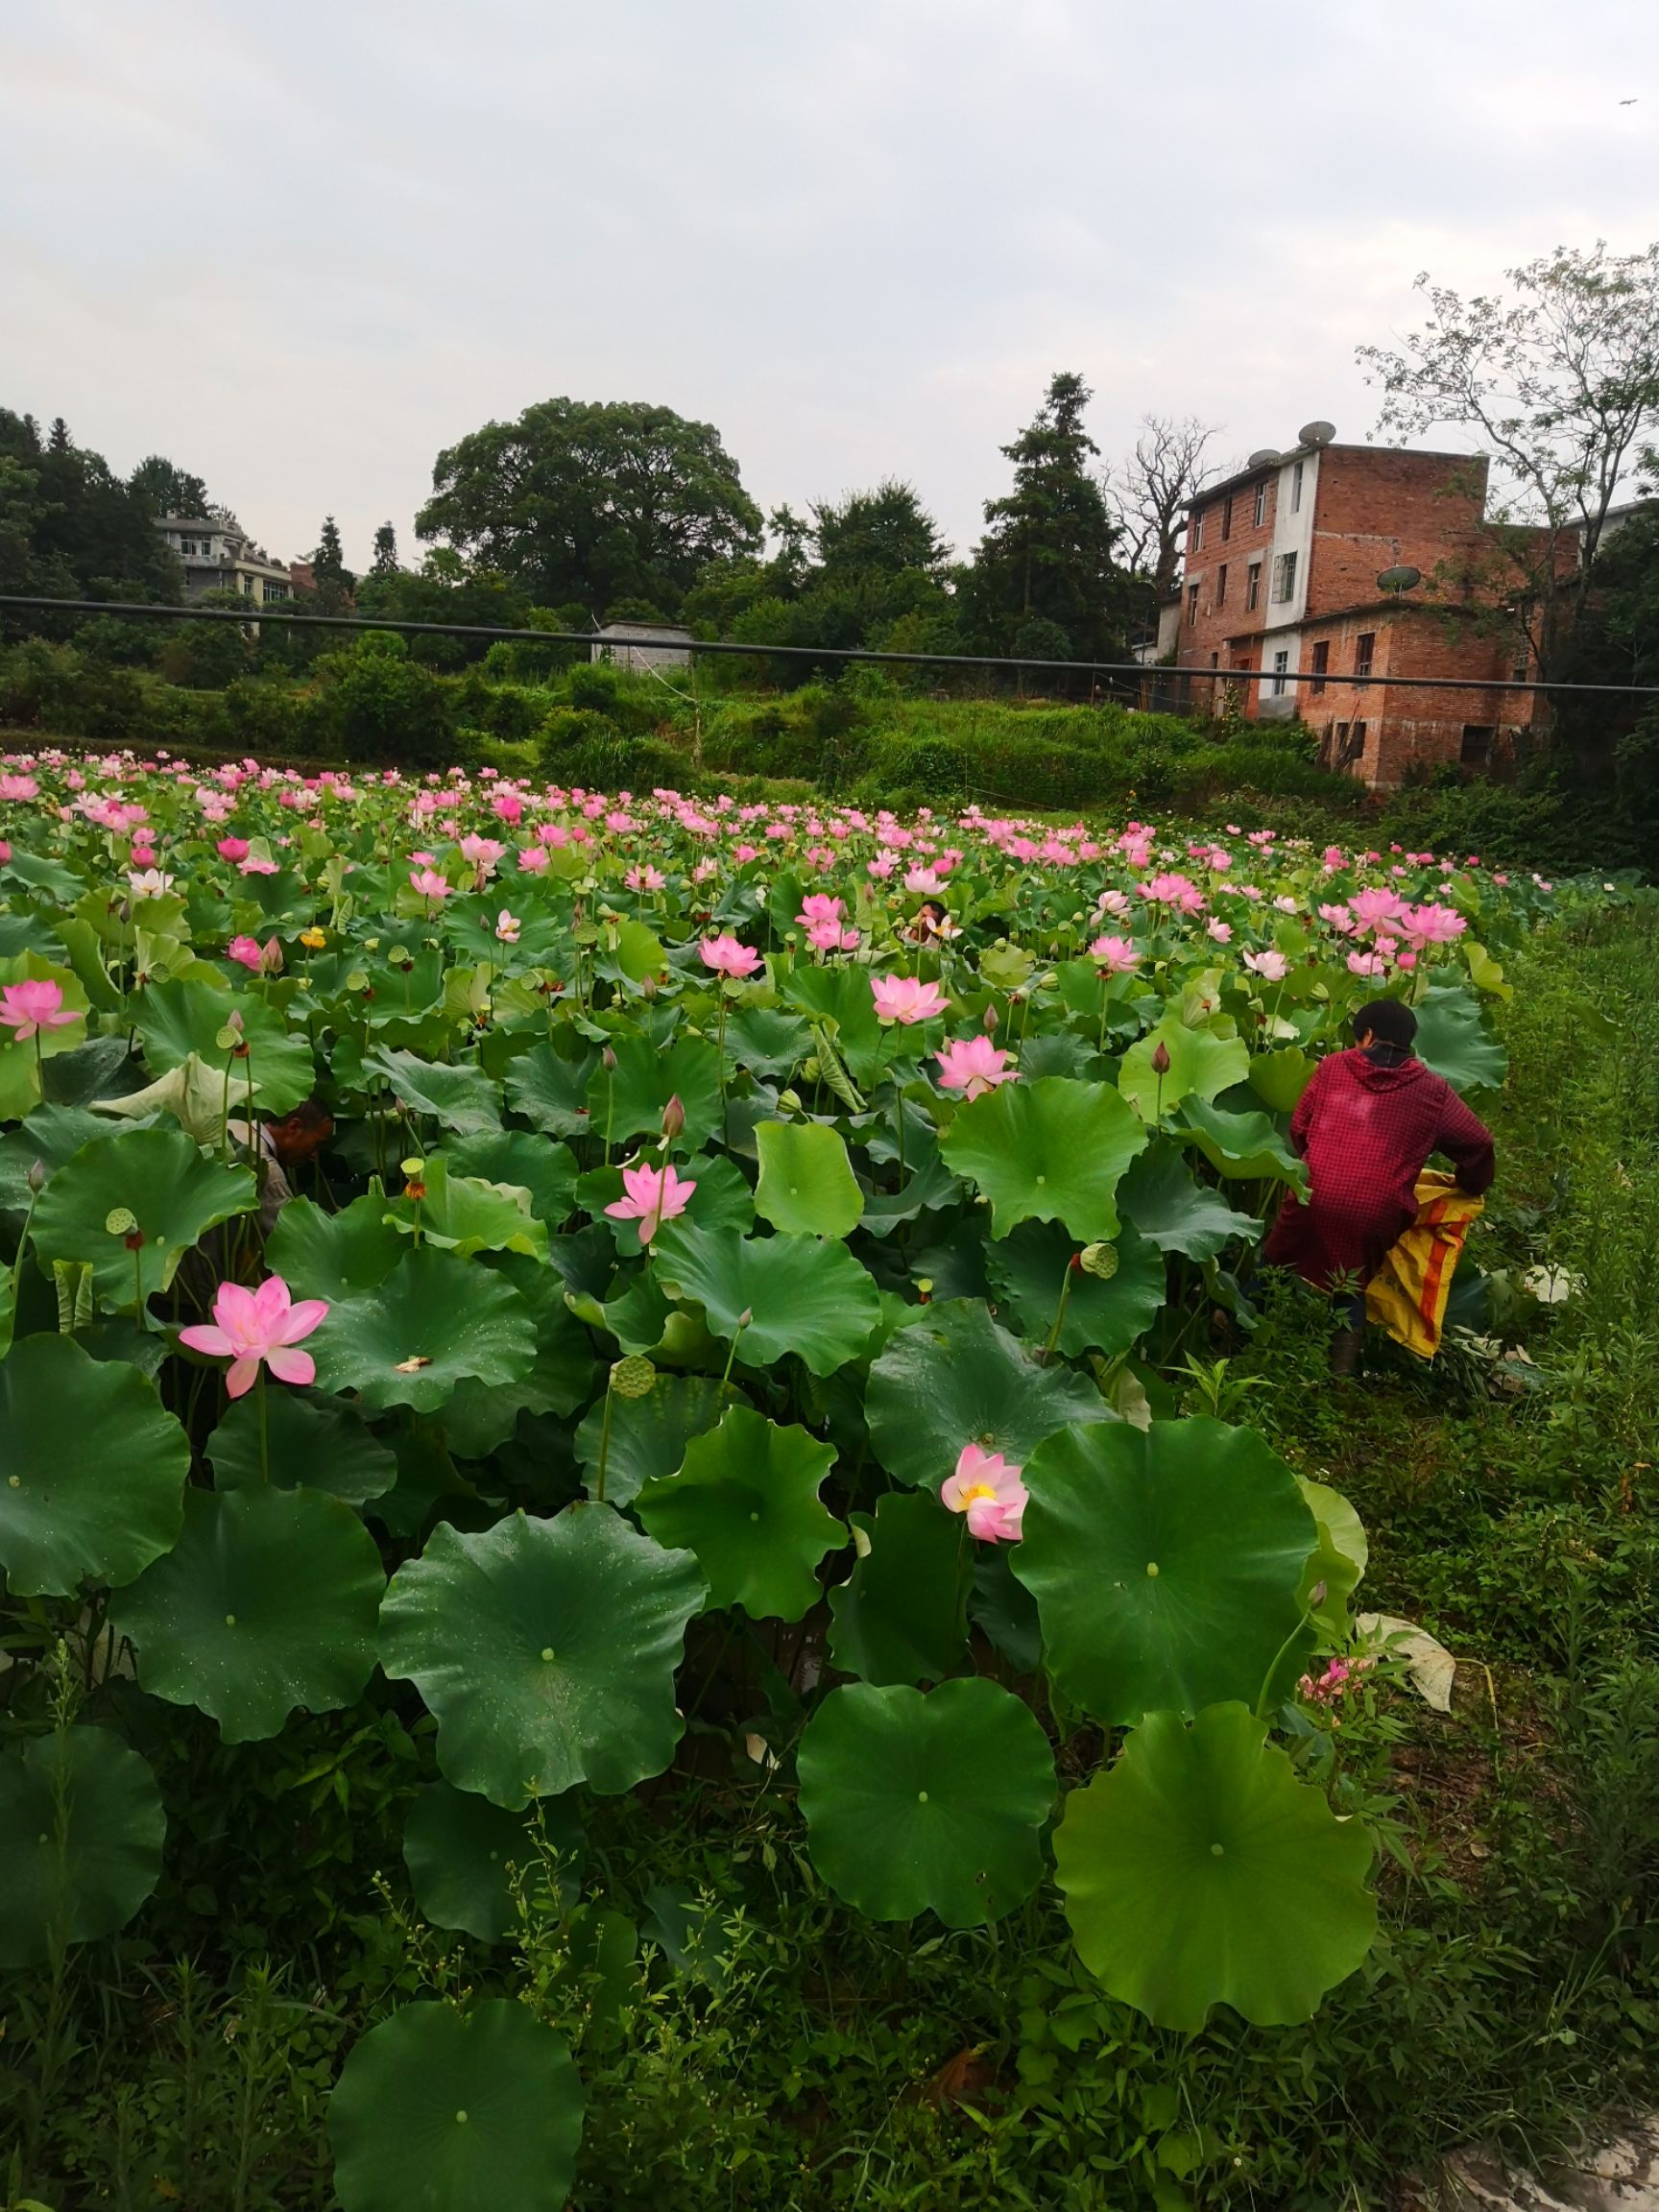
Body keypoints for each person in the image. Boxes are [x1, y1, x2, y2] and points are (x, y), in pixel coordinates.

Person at [1263, 999, 1495, 1376]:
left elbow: (1299, 1129)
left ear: (1367, 1036)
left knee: (1273, 1259)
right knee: (1350, 1281)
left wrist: (1322, 1165)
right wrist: (1470, 1185)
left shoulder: (1334, 1066)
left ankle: (1233, 1337)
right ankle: (1340, 1377)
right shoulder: (1434, 1090)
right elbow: (1479, 1144)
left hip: (1313, 1193)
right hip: (1377, 1210)